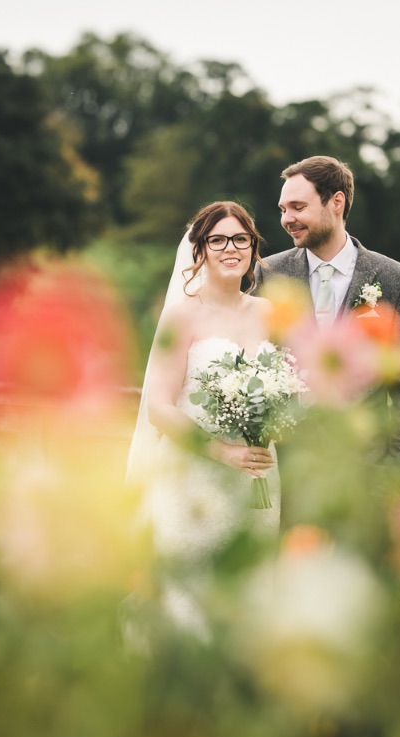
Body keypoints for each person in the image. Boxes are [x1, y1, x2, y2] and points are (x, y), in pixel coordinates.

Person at [126, 201, 280, 640]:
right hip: (192, 477)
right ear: (200, 251)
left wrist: (277, 419)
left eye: (240, 239)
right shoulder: (182, 314)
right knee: (189, 597)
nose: (230, 248)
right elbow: (159, 406)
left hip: (257, 480)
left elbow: (286, 386)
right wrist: (221, 451)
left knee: (249, 596)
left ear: (253, 247)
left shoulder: (268, 314)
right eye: (218, 240)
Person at [263, 156, 400, 490]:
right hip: (285, 481)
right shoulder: (268, 274)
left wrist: (389, 484)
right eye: (283, 209)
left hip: (362, 483)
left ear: (336, 201)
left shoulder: (395, 280)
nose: (287, 219)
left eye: (297, 207)